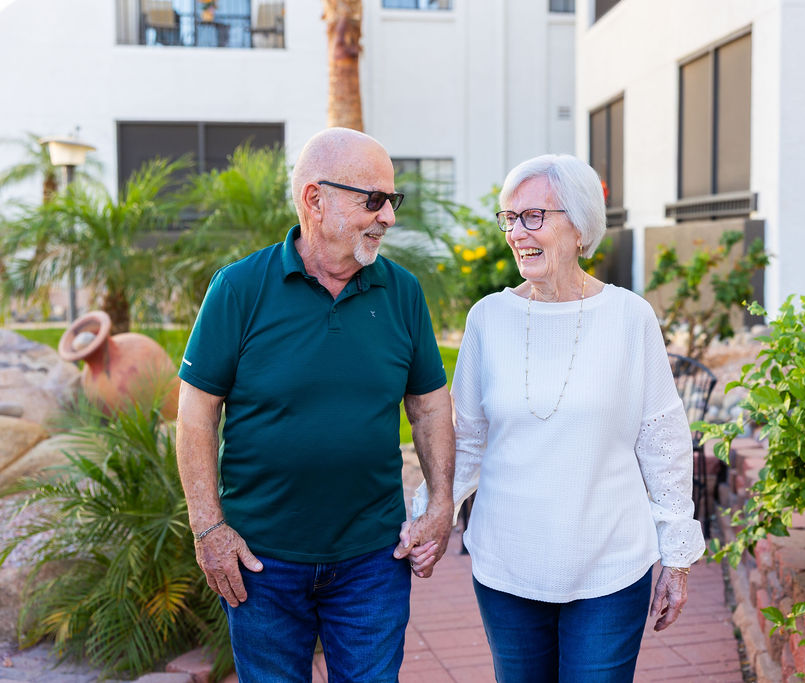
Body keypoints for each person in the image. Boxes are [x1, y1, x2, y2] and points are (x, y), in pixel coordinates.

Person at [408, 153, 706, 681]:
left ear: (581, 225)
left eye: (533, 216)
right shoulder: (488, 319)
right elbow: (468, 439)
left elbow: (663, 440)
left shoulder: (628, 317)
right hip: (507, 565)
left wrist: (676, 555)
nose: (517, 233)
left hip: (610, 565)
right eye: (509, 218)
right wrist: (431, 515)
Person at [176, 127, 455, 682]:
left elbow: (428, 406)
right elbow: (196, 414)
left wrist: (441, 504)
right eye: (373, 200)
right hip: (261, 561)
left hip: (374, 559)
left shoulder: (402, 292)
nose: (388, 217)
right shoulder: (238, 289)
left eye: (392, 201)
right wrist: (208, 529)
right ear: (315, 199)